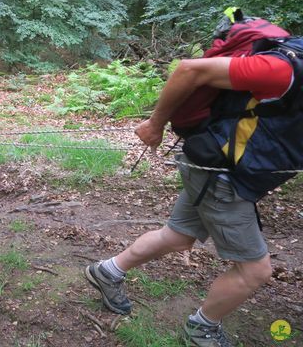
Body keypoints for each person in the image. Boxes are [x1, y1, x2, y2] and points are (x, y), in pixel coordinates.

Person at [84, 18, 301, 346]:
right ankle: (202, 328)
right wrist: (155, 125)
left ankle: (107, 272)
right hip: (224, 175)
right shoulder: (281, 71)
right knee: (254, 272)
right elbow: (189, 69)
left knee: (177, 236)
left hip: (219, 168)